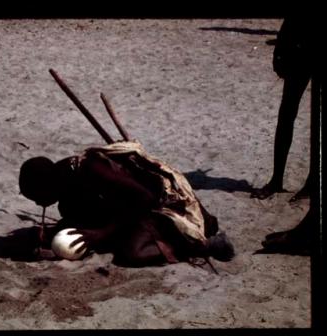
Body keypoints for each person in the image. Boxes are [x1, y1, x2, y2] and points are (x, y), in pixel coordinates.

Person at [19, 140, 235, 267]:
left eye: (37, 196)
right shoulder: (65, 181)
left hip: (157, 204)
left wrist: (103, 233)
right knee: (73, 218)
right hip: (128, 207)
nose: (39, 203)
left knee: (132, 253)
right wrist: (52, 233)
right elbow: (80, 213)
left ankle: (197, 246)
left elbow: (145, 198)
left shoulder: (91, 169)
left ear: (48, 183)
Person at [250, 17, 314, 201]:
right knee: (286, 115)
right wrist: (279, 52)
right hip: (299, 51)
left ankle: (312, 182)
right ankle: (277, 180)